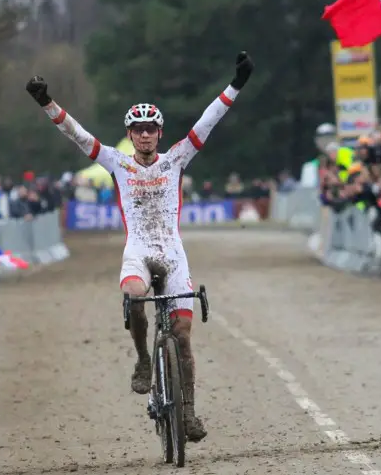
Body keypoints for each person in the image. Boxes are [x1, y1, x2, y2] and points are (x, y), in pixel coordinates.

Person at [25, 51, 254, 442]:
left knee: (182, 335)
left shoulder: (177, 158)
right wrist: (47, 103)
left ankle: (189, 411)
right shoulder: (117, 162)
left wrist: (236, 85)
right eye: (138, 129)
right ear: (129, 135)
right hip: (139, 251)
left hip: (173, 252)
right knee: (133, 297)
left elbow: (208, 122)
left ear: (160, 134)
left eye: (151, 128)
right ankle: (144, 360)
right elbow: (77, 135)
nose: (145, 134)